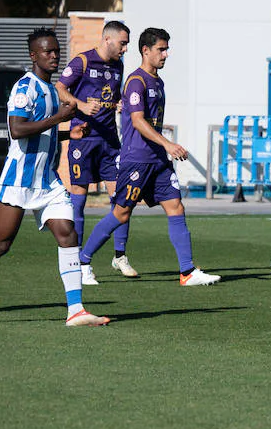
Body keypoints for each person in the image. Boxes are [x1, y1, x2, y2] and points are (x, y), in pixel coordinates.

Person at [0, 28, 109, 327]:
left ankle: (76, 310)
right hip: (19, 180)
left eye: (57, 50)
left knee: (67, 233)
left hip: (48, 182)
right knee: (0, 244)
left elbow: (44, 132)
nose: (54, 55)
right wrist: (60, 119)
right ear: (34, 55)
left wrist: (70, 133)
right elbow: (17, 130)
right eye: (48, 51)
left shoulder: (52, 90)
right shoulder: (24, 88)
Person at [78, 28, 218, 286]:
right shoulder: (136, 81)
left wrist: (163, 149)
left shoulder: (158, 82)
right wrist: (168, 144)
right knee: (121, 214)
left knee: (176, 207)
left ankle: (187, 272)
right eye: (161, 49)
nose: (166, 54)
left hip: (158, 161)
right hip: (137, 160)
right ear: (146, 50)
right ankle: (82, 262)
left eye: (166, 49)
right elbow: (138, 121)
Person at [56, 20, 137, 284]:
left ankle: (120, 255)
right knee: (79, 199)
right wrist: (79, 104)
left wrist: (119, 103)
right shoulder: (82, 61)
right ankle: (79, 263)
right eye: (123, 43)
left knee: (122, 199)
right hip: (83, 139)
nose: (125, 49)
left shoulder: (118, 65)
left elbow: (110, 97)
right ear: (107, 39)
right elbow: (59, 88)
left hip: (109, 141)